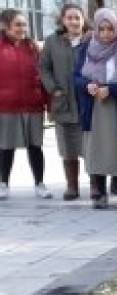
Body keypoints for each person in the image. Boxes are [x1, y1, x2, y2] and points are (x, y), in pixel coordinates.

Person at [75, 7, 117, 210]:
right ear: (95, 29)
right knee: (98, 150)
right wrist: (87, 86)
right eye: (102, 29)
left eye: (110, 29)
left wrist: (111, 89)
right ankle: (101, 193)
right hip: (95, 108)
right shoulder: (86, 51)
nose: (106, 34)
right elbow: (76, 77)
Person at [37, 3, 88, 201]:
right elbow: (43, 68)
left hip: (86, 101)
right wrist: (53, 88)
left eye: (77, 17)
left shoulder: (91, 40)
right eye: (70, 18)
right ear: (63, 21)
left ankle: (95, 186)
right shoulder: (52, 42)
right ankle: (72, 186)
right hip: (63, 101)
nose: (74, 21)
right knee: (67, 147)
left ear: (83, 20)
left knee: (90, 146)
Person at [0, 9, 51, 200]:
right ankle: (3, 183)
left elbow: (44, 77)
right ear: (5, 26)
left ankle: (40, 183)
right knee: (6, 147)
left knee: (35, 146)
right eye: (17, 25)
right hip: (6, 107)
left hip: (33, 105)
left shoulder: (33, 48)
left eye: (24, 24)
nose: (22, 29)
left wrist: (49, 104)